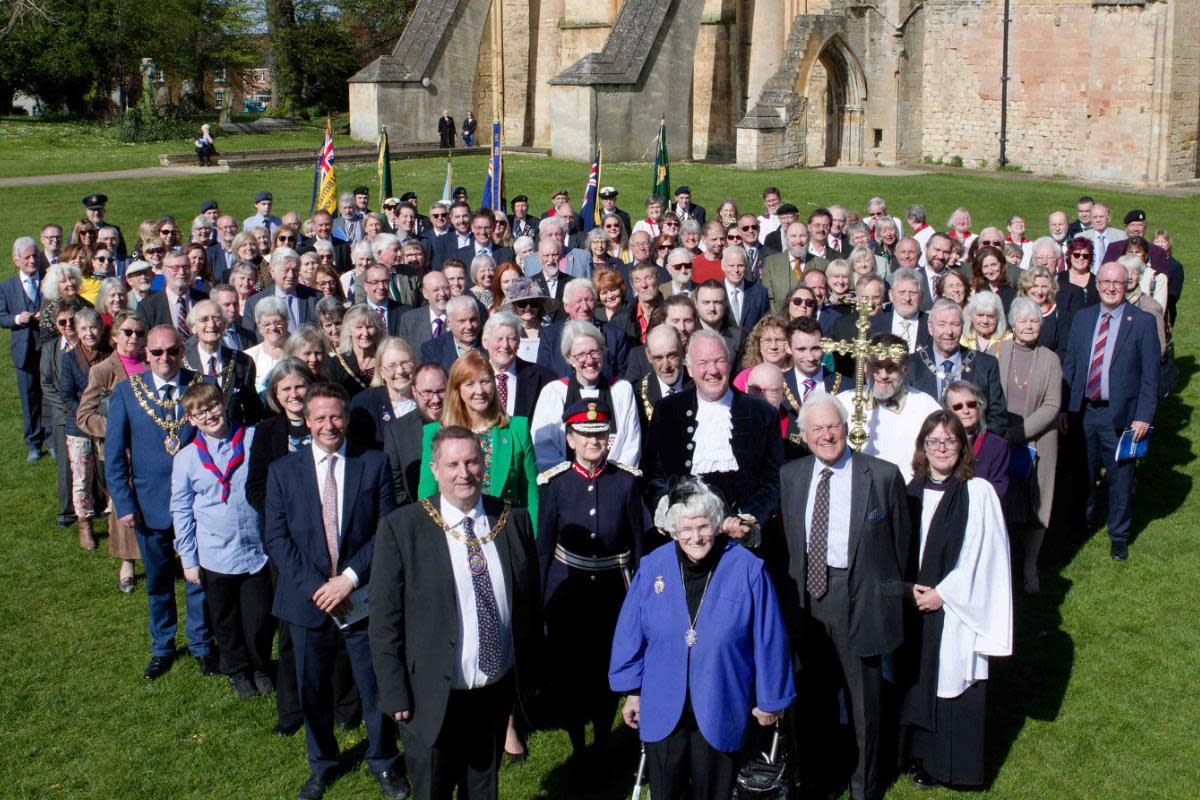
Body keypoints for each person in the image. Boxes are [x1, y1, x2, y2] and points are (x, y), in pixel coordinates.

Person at [370, 426, 541, 800]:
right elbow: (385, 622)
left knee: (483, 789)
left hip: (492, 690)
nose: (463, 473)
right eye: (452, 464)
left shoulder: (513, 520)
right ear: (434, 469)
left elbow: (528, 605)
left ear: (484, 465)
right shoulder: (403, 528)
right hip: (431, 694)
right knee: (433, 788)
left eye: (472, 462)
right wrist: (395, 691)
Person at [609, 478, 795, 799]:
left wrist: (770, 700)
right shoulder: (653, 566)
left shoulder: (748, 569)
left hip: (721, 698)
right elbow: (631, 632)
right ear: (672, 529)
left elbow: (769, 637)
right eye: (686, 528)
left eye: (703, 526)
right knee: (666, 790)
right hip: (663, 702)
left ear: (717, 524)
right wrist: (633, 691)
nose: (695, 537)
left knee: (715, 791)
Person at [264, 382, 406, 800]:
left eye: (336, 416)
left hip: (361, 597)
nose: (329, 424)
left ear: (346, 417)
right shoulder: (282, 472)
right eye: (320, 417)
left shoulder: (373, 463)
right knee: (312, 688)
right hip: (307, 602)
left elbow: (386, 529)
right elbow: (276, 538)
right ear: (306, 421)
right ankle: (322, 764)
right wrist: (318, 589)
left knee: (374, 685)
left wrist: (348, 578)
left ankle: (383, 761)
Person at [778, 394, 910, 800]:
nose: (826, 435)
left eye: (832, 426)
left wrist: (884, 594)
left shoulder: (882, 476)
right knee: (814, 699)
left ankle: (864, 788)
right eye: (816, 429)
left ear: (846, 427)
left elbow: (900, 546)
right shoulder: (792, 475)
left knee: (863, 705)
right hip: (808, 602)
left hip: (860, 598)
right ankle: (819, 779)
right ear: (803, 435)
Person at [898, 411, 1012, 791]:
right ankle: (915, 758)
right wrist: (906, 589)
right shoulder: (908, 491)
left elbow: (983, 555)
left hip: (955, 609)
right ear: (923, 447)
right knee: (911, 679)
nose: (942, 447)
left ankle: (949, 767)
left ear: (962, 447)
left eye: (950, 440)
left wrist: (943, 594)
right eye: (934, 441)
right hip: (911, 606)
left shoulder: (976, 492)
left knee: (950, 679)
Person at [106, 325, 215, 680]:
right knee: (158, 581)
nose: (164, 359)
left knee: (198, 578)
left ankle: (201, 644)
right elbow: (114, 458)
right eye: (156, 352)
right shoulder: (126, 392)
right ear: (145, 354)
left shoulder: (200, 386)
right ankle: (163, 646)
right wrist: (123, 503)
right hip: (149, 503)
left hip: (197, 503)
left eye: (172, 351)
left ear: (182, 350)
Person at [170, 382, 272, 699]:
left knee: (259, 617)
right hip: (216, 553)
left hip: (256, 549)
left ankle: (259, 665)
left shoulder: (254, 440)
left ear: (223, 402)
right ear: (191, 420)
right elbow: (182, 509)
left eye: (213, 406)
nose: (209, 415)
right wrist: (188, 559)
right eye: (200, 412)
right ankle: (237, 670)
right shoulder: (186, 459)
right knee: (225, 619)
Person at [646, 330, 783, 547]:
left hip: (741, 542)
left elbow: (774, 479)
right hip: (684, 539)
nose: (713, 370)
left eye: (719, 361)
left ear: (729, 363)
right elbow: (654, 474)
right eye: (703, 363)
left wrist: (749, 519)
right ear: (689, 368)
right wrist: (670, 512)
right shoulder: (667, 410)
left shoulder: (762, 413)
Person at [1061, 261, 1159, 561]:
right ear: (1097, 283)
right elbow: (1072, 364)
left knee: (1121, 478)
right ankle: (1083, 524)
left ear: (1127, 283)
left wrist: (1143, 416)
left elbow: (1150, 376)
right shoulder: (1083, 318)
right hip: (1084, 412)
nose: (1111, 287)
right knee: (1083, 473)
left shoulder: (1141, 322)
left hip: (1122, 415)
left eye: (1117, 282)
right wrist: (1065, 408)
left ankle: (1119, 534)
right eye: (1105, 282)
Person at [997, 298, 1063, 593]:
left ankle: (1030, 565)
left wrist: (1018, 433)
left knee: (1037, 502)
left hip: (1039, 441)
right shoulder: (998, 350)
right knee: (1004, 500)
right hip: (1001, 440)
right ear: (1013, 323)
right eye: (1022, 320)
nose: (1028, 326)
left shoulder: (1050, 359)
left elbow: (1052, 405)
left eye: (1033, 321)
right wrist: (1003, 434)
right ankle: (1003, 565)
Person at [530, 320, 641, 471]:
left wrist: (613, 480)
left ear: (603, 352)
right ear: (569, 358)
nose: (589, 360)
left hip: (614, 482)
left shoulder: (621, 390)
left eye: (595, 352)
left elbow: (630, 445)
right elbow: (544, 449)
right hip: (567, 487)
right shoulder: (553, 393)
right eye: (581, 354)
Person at [836, 334, 943, 483]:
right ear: (865, 366)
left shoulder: (926, 407)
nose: (883, 375)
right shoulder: (844, 402)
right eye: (876, 367)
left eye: (891, 368)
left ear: (905, 370)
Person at [907, 299, 1009, 435]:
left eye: (955, 324)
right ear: (930, 328)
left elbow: (998, 417)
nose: (949, 332)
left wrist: (978, 447)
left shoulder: (986, 364)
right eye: (942, 324)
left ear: (962, 327)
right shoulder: (911, 365)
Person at [60, 307, 109, 548]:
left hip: (108, 424)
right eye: (83, 328)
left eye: (93, 327)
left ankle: (114, 518)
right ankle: (85, 523)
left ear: (101, 329)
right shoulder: (69, 359)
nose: (89, 333)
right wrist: (86, 415)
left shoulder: (110, 355)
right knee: (82, 477)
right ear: (77, 332)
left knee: (111, 472)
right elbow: (66, 394)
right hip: (78, 426)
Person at [2, 238, 48, 461]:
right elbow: (1, 316)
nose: (33, 260)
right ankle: (33, 443)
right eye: (28, 257)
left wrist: (46, 316)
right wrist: (17, 318)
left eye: (35, 256)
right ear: (16, 260)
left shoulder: (49, 280)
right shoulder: (7, 287)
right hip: (24, 350)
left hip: (48, 347)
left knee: (49, 394)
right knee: (29, 397)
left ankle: (51, 436)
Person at [183, 299, 263, 425]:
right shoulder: (182, 363)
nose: (211, 324)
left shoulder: (242, 362)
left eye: (217, 318)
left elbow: (252, 410)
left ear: (225, 325)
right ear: (193, 327)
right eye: (204, 319)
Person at [382, 363, 447, 508]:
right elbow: (396, 488)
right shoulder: (397, 432)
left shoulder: (465, 424)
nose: (435, 399)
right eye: (427, 392)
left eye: (441, 391)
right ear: (414, 392)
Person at [42, 299, 81, 528]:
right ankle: (67, 511)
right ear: (56, 325)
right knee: (66, 465)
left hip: (87, 411)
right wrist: (68, 408)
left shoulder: (86, 344)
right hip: (63, 415)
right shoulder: (50, 349)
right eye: (62, 322)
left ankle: (94, 503)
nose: (68, 325)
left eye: (71, 320)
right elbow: (46, 384)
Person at [944, 380, 1009, 501]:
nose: (966, 411)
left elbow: (999, 489)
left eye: (971, 404)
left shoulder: (997, 445)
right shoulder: (939, 442)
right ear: (948, 411)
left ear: (980, 407)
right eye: (958, 407)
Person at [348, 337, 416, 448]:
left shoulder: (427, 397)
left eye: (405, 363)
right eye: (391, 366)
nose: (400, 371)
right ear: (381, 372)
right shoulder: (365, 402)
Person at [326, 304, 385, 398]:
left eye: (369, 327)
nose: (365, 333)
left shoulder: (385, 360)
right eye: (359, 327)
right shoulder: (336, 364)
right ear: (349, 331)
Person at [420, 294, 482, 373]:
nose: (469, 326)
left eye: (473, 319)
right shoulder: (432, 350)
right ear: (448, 322)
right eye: (462, 321)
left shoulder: (490, 344)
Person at [245, 297, 289, 399]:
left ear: (286, 324)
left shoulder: (297, 353)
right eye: (267, 324)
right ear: (259, 328)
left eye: (278, 323)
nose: (273, 328)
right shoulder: (248, 357)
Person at [961, 290, 1011, 355]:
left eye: (990, 316)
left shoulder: (1009, 340)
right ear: (971, 316)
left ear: (998, 318)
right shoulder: (962, 341)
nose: (985, 321)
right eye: (980, 315)